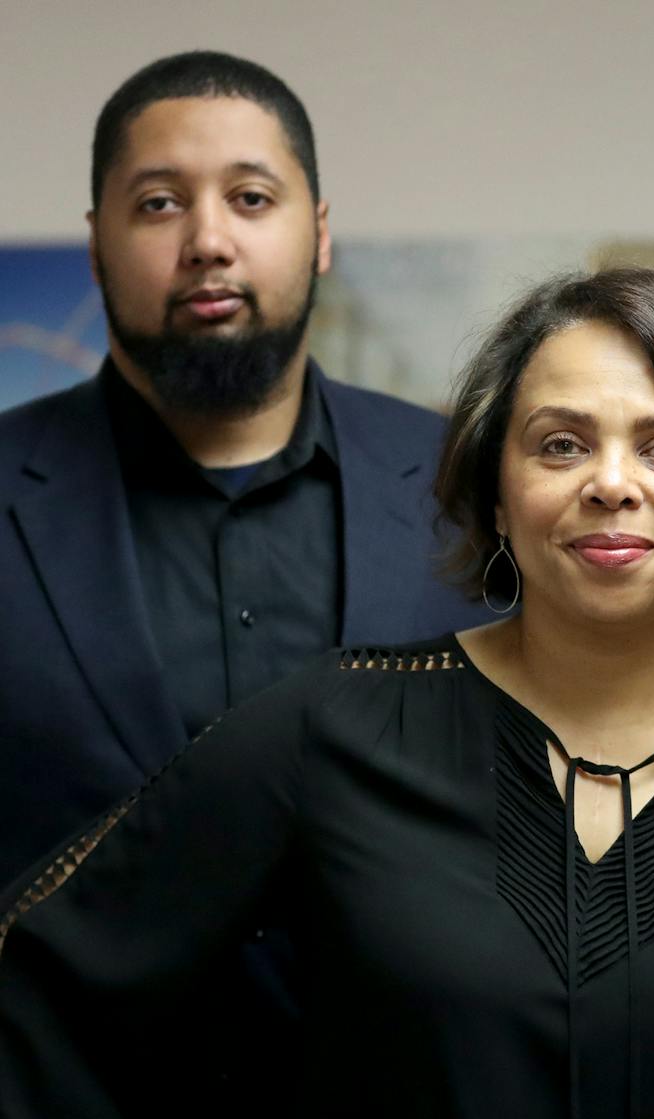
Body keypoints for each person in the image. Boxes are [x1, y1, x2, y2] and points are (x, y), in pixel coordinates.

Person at [0, 268, 654, 1119]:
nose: (612, 484)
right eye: (561, 444)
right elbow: (39, 970)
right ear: (498, 492)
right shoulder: (340, 726)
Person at [0, 50, 486, 888]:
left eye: (251, 198)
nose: (208, 241)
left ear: (322, 232)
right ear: (95, 246)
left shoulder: (469, 487)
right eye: (159, 204)